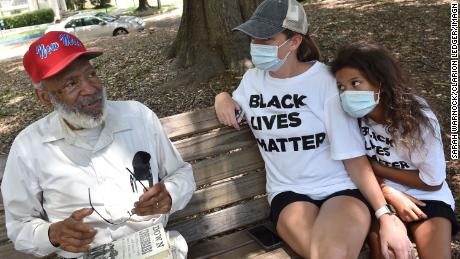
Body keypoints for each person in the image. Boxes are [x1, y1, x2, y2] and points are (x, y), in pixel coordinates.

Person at [214, 0, 413, 258]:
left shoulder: (326, 82)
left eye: (266, 39)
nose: (256, 46)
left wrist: (384, 215)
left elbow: (353, 157)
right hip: (288, 195)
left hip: (339, 191)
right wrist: (221, 97)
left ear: (294, 42)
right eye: (253, 38)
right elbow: (234, 104)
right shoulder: (252, 81)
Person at [0, 31, 196, 258]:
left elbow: (181, 173)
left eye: (91, 74)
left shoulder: (137, 117)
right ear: (45, 98)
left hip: (153, 250)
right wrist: (52, 234)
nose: (90, 89)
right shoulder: (29, 147)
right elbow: (19, 226)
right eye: (71, 83)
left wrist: (171, 193)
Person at [331, 41, 458, 259]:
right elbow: (351, 170)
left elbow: (432, 181)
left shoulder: (418, 119)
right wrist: (388, 192)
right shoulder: (351, 118)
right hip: (378, 197)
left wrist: (375, 167)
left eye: (356, 83)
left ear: (380, 82)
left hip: (428, 196)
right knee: (386, 252)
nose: (347, 94)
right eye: (342, 87)